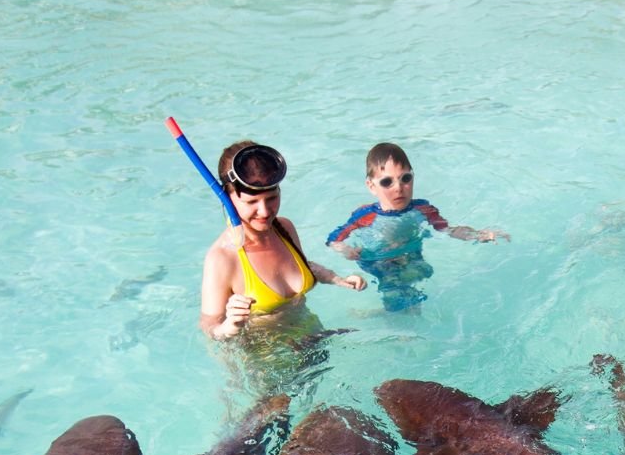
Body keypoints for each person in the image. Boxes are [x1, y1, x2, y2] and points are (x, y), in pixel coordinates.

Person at [200, 141, 366, 342]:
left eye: (271, 198)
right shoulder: (223, 257)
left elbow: (305, 266)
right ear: (227, 197)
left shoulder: (284, 228)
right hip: (267, 364)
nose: (265, 211)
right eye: (252, 202)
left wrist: (337, 279)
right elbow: (208, 325)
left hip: (313, 340)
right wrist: (227, 327)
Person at [325, 142, 508, 311]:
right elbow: (334, 238)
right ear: (371, 186)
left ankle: (388, 312)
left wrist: (477, 235)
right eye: (387, 182)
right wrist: (345, 249)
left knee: (424, 272)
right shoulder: (366, 215)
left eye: (405, 178)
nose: (399, 187)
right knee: (398, 293)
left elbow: (448, 229)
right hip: (378, 260)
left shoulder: (423, 209)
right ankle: (398, 322)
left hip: (410, 255)